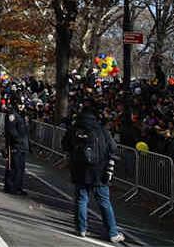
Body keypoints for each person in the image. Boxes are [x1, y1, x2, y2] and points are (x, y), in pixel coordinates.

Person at [62, 102, 125, 242]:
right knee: (104, 201)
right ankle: (113, 232)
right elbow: (112, 148)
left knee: (81, 199)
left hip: (79, 169)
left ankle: (81, 229)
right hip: (99, 170)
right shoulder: (101, 130)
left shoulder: (74, 129)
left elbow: (65, 145)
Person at [3, 96, 29, 195]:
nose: (22, 106)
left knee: (21, 168)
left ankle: (18, 187)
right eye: (20, 104)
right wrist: (18, 140)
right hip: (15, 145)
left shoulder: (21, 115)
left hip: (22, 146)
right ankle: (10, 186)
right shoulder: (12, 115)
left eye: (22, 104)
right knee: (14, 167)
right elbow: (11, 130)